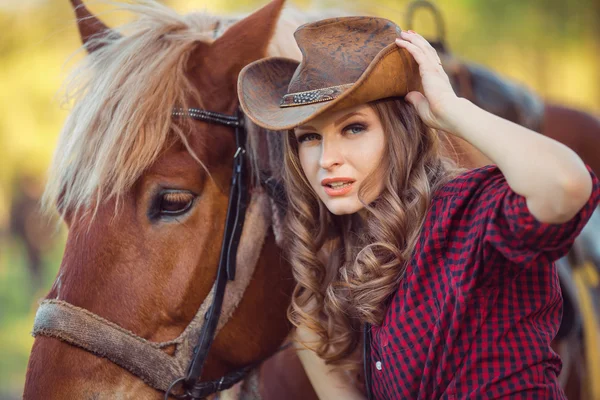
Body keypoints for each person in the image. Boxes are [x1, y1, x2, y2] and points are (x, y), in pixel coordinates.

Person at [238, 16, 600, 399]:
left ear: (400, 134)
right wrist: (315, 334)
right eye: (310, 137)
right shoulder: (343, 262)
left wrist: (452, 111)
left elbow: (567, 185)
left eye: (353, 128)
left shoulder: (465, 211)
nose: (327, 158)